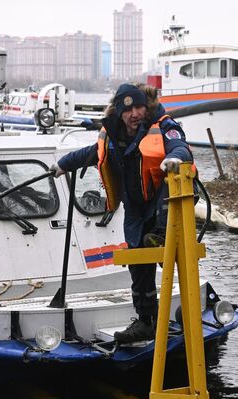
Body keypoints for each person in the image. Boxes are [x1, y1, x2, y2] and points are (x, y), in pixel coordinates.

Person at [51, 83, 194, 344]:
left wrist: (174, 159)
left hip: (163, 202)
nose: (134, 114)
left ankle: (163, 239)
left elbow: (181, 146)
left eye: (139, 107)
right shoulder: (113, 133)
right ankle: (145, 320)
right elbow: (93, 153)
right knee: (139, 265)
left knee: (168, 250)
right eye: (128, 110)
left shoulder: (163, 126)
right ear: (119, 112)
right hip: (135, 209)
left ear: (145, 107)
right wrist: (63, 164)